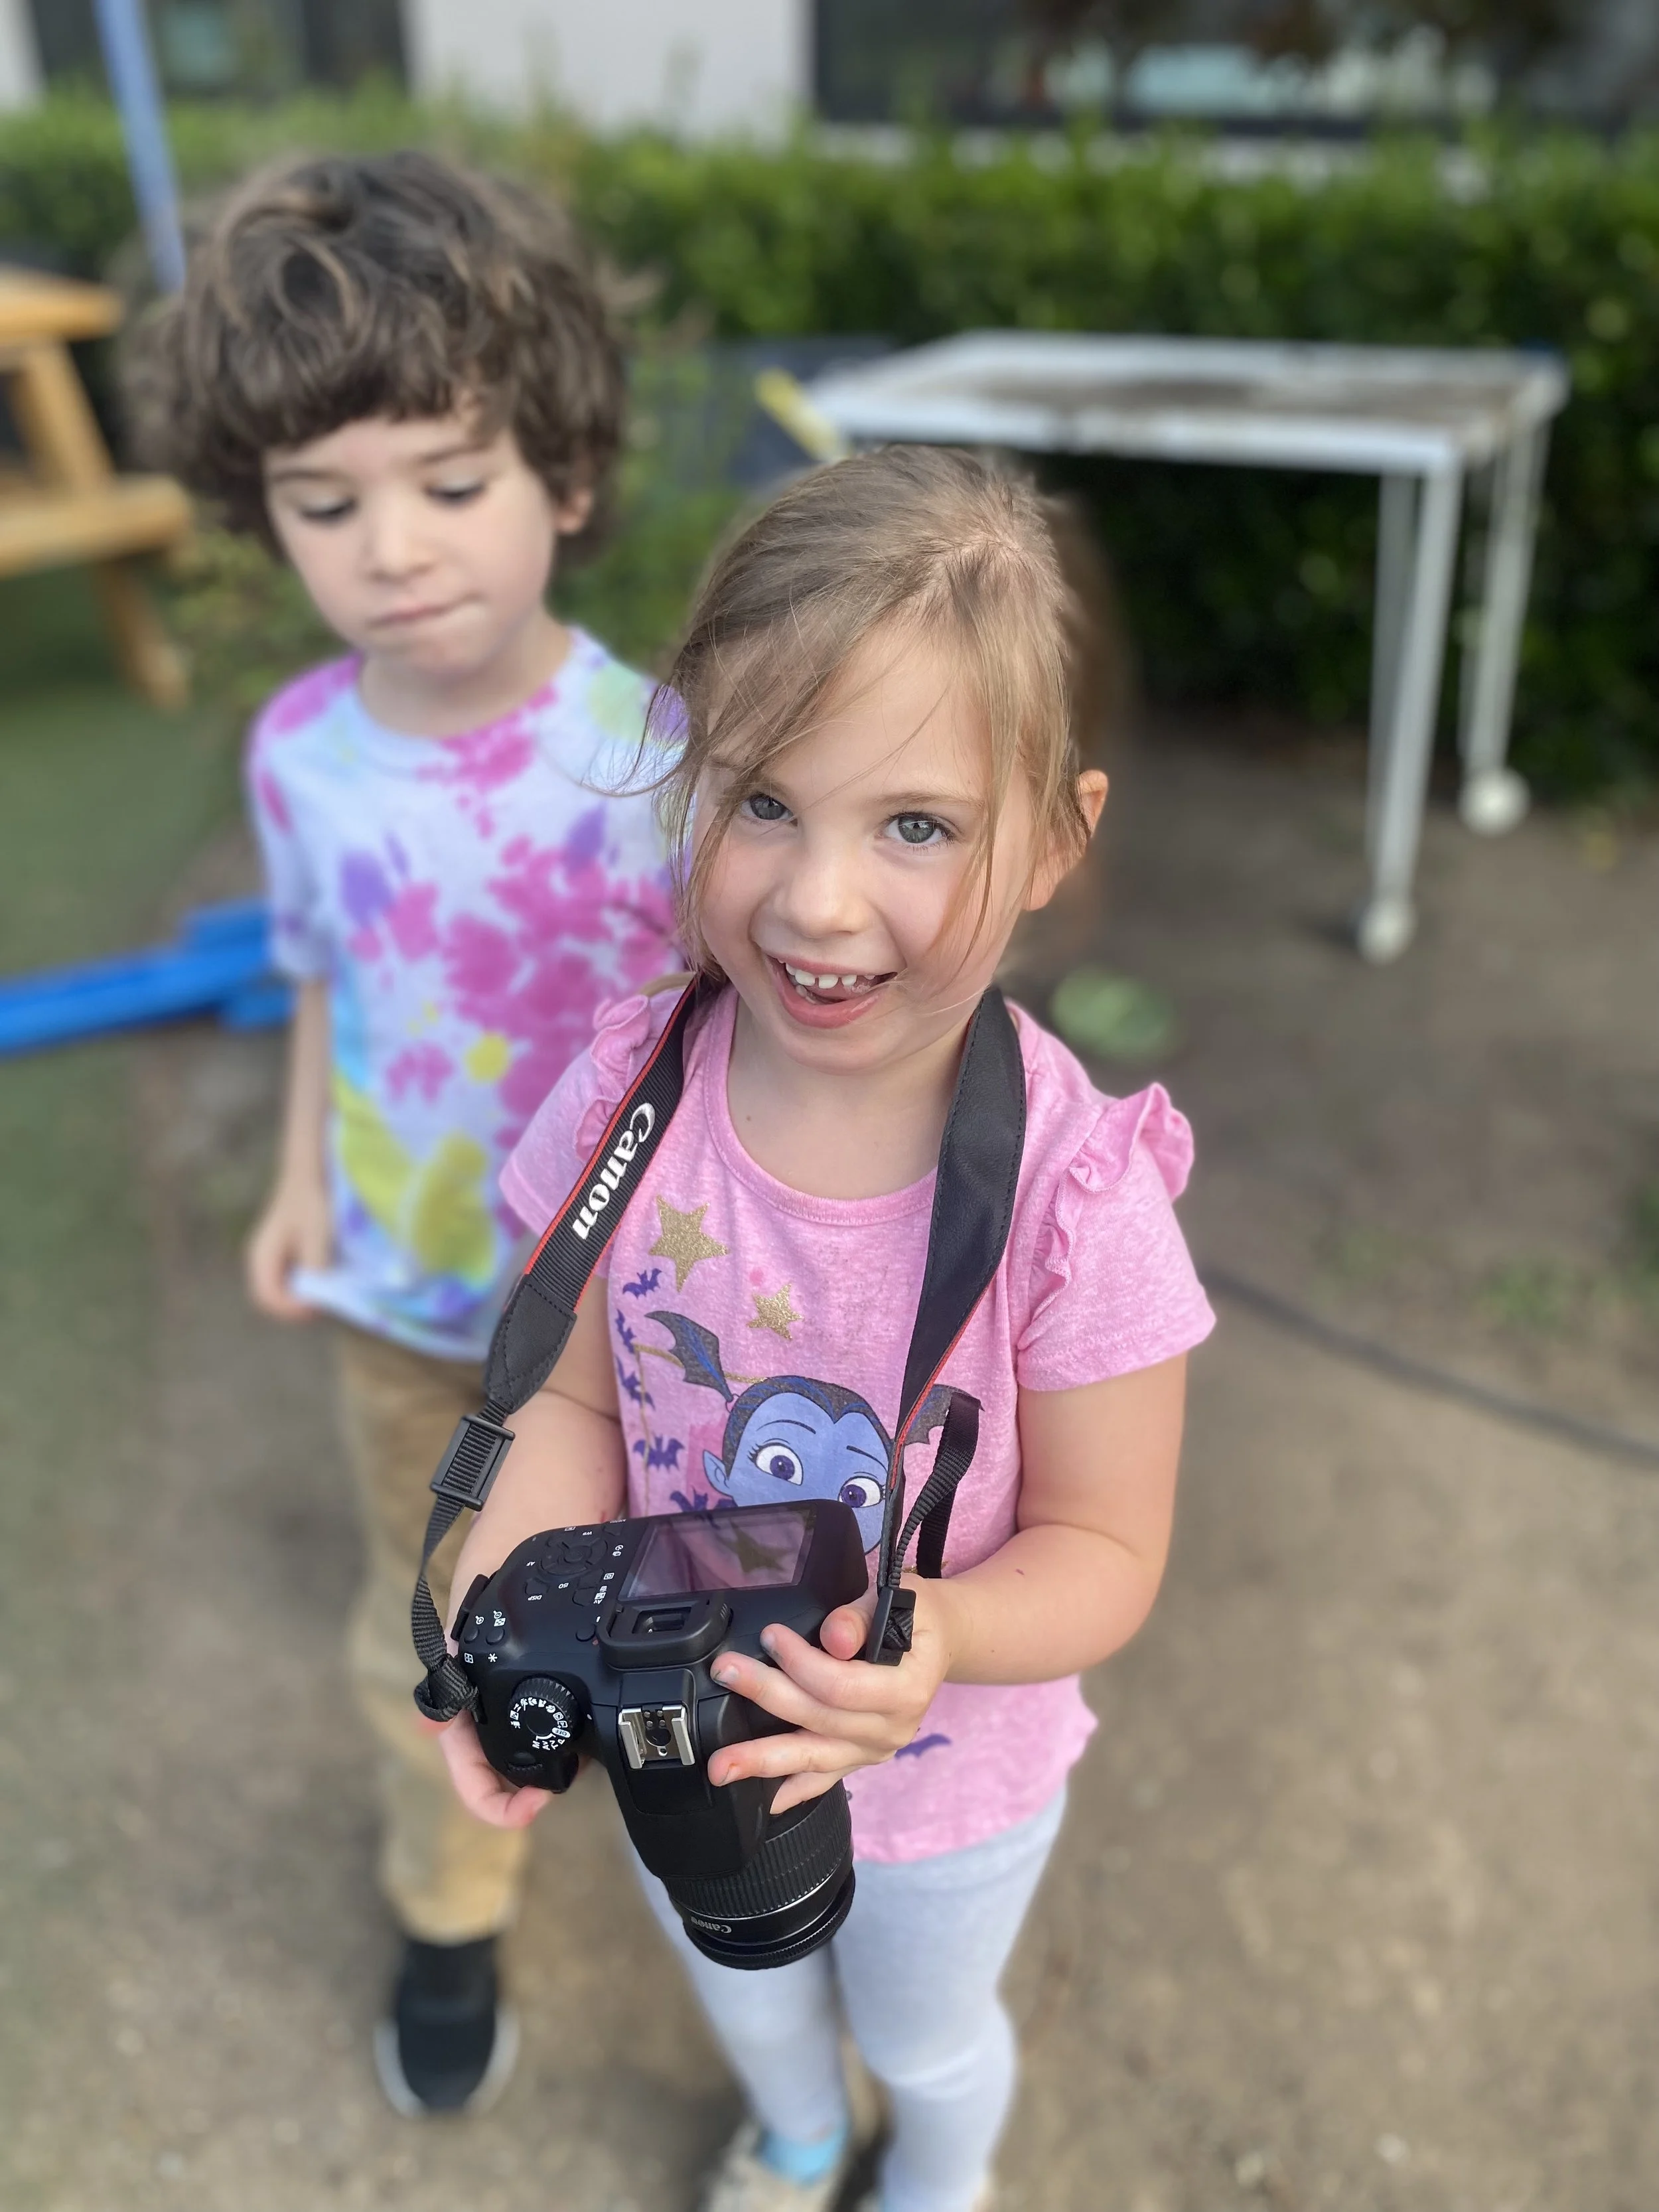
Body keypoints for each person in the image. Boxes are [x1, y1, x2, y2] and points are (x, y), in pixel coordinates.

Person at [433, 445, 1216, 2212]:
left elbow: (1107, 1545)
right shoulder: (626, 1093)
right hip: (679, 1725)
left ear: (1052, 839)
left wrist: (930, 1636)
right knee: (741, 1979)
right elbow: (566, 1397)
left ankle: (935, 2176)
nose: (815, 900)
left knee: (927, 2032)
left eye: (916, 824)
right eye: (759, 798)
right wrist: (508, 1625)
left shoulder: (1075, 1194)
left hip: (950, 1772)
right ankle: (793, 2132)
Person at [127, 151, 678, 2115]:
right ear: (261, 509)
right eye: (323, 502)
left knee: (652, 1608)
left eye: (450, 480)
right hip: (400, 1303)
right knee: (429, 1619)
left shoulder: (658, 762)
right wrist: (298, 1181)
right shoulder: (299, 754)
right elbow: (320, 986)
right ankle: (450, 1905)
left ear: (565, 470)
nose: (392, 546)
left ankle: (698, 1849)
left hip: (629, 1332)